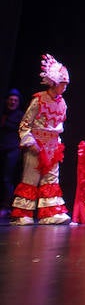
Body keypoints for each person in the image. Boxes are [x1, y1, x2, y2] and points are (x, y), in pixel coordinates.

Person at [10, 55, 71, 225]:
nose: (64, 87)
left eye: (66, 84)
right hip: (36, 145)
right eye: (62, 84)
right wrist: (30, 142)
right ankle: (23, 213)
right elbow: (24, 124)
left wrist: (57, 144)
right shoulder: (39, 99)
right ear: (53, 82)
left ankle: (49, 213)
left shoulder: (63, 103)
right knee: (31, 178)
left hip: (53, 147)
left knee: (51, 179)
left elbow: (59, 126)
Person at [1, 88, 24, 219]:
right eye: (11, 100)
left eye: (15, 100)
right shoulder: (3, 114)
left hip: (12, 149)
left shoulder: (19, 116)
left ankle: (6, 206)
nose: (12, 102)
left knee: (7, 178)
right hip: (2, 148)